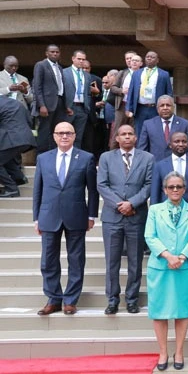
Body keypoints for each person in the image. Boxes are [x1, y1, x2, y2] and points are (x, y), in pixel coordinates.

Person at [32, 122, 98, 315]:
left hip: (76, 215)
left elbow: (92, 191)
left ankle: (70, 300)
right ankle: (53, 299)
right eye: (60, 133)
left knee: (76, 259)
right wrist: (36, 218)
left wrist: (92, 215)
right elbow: (38, 190)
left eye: (68, 133)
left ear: (74, 136)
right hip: (48, 215)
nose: (64, 136)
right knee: (48, 260)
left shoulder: (86, 158)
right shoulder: (43, 159)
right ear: (54, 136)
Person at [145, 171, 188, 371]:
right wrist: (168, 256)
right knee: (159, 312)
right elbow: (150, 236)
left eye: (179, 187)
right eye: (171, 187)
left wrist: (182, 257)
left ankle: (179, 351)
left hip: (184, 267)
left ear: (184, 189)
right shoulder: (154, 209)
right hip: (160, 266)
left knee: (181, 310)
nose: (175, 190)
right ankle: (163, 352)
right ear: (164, 189)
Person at [97, 124, 154, 315]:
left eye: (131, 134)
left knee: (135, 261)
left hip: (136, 216)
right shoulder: (106, 157)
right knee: (112, 261)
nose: (127, 137)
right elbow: (102, 185)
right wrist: (120, 204)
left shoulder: (147, 158)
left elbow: (149, 185)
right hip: (112, 217)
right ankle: (112, 299)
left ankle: (132, 299)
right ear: (117, 138)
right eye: (123, 134)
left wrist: (132, 203)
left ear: (135, 138)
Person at [33, 44, 71, 153]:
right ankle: (40, 156)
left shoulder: (59, 67)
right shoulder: (41, 65)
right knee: (44, 131)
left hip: (59, 103)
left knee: (57, 131)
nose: (55, 54)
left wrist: (66, 106)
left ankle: (53, 155)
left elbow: (61, 87)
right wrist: (41, 105)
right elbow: (37, 87)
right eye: (52, 52)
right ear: (47, 53)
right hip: (46, 104)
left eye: (57, 52)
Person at [151, 132, 188, 207]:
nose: (181, 144)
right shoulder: (159, 166)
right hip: (165, 213)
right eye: (177, 141)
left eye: (184, 141)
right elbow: (154, 195)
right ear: (170, 145)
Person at [125, 51, 173, 137]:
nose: (149, 58)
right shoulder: (137, 73)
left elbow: (168, 92)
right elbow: (131, 92)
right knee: (139, 133)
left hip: (155, 108)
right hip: (140, 108)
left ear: (157, 60)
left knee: (155, 132)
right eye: (147, 57)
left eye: (152, 57)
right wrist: (129, 108)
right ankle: (140, 150)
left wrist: (168, 108)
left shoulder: (164, 74)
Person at [137, 95, 188, 161]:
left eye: (168, 105)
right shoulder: (148, 124)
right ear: (157, 109)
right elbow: (142, 149)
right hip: (155, 167)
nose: (165, 108)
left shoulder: (185, 124)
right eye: (162, 105)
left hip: (178, 166)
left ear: (173, 107)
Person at [0, 97, 35, 197]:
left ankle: (11, 189)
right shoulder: (14, 102)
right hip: (26, 138)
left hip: (11, 139)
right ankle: (18, 177)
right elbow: (29, 120)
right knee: (5, 158)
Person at [63, 50, 92, 149]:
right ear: (73, 58)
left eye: (83, 59)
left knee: (78, 137)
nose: (81, 61)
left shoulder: (87, 75)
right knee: (65, 134)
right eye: (79, 59)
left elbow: (88, 93)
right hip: (68, 108)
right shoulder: (64, 72)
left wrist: (87, 107)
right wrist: (65, 106)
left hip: (82, 108)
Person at [110, 51, 139, 146]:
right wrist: (121, 90)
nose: (129, 60)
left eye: (131, 58)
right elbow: (113, 88)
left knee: (134, 131)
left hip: (136, 106)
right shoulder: (122, 73)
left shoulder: (142, 73)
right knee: (117, 130)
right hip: (122, 105)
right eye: (127, 59)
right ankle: (113, 155)